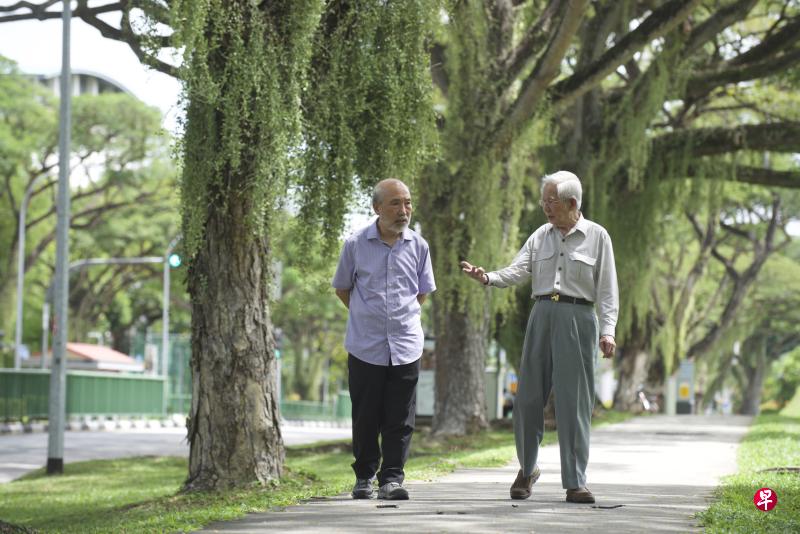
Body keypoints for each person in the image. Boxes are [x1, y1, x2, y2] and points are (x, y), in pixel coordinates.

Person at [460, 170, 618, 504]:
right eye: (543, 200)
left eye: (551, 201)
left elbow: (607, 290)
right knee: (528, 398)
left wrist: (608, 331)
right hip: (541, 314)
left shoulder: (597, 236)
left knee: (574, 403)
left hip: (579, 318)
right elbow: (518, 269)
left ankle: (575, 481)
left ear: (572, 203)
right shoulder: (541, 235)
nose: (545, 206)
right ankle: (527, 468)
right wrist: (488, 277)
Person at [332, 178, 436, 501]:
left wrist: (398, 321)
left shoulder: (419, 246)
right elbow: (342, 288)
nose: (403, 210)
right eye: (395, 203)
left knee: (400, 418)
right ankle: (364, 476)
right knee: (366, 415)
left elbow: (421, 293)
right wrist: (368, 317)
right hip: (366, 345)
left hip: (405, 345)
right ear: (377, 208)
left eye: (407, 203)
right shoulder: (355, 244)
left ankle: (391, 478)